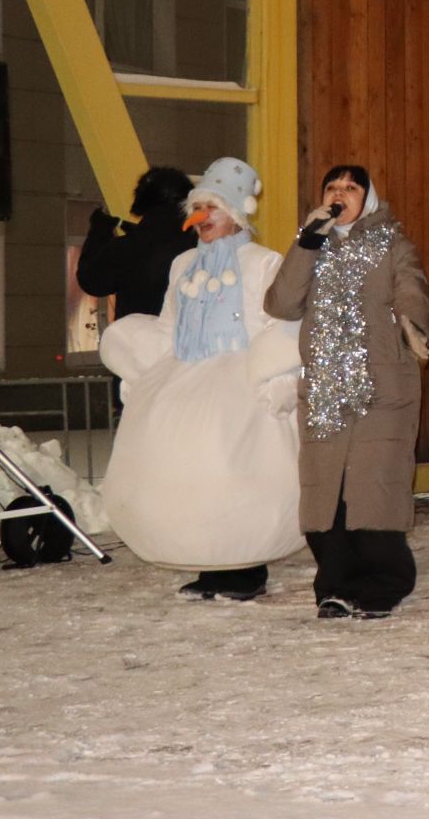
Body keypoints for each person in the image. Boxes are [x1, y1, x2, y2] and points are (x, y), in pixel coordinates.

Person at [98, 157, 304, 599]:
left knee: (233, 470)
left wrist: (280, 377)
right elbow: (171, 321)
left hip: (238, 380)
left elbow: (278, 321)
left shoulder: (264, 262)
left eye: (214, 208)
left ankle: (246, 569)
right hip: (184, 374)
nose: (203, 218)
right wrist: (145, 369)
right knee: (182, 468)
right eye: (199, 208)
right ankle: (209, 565)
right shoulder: (182, 264)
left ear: (236, 212)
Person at [265, 165, 429, 620]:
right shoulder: (311, 244)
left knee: (374, 488)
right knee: (325, 495)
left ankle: (385, 582)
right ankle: (335, 586)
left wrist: (413, 325)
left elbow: (412, 287)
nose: (340, 194)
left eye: (350, 188)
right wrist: (308, 240)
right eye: (332, 187)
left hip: (383, 384)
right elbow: (280, 303)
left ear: (368, 198)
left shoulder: (393, 244)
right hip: (323, 389)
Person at [77, 165, 196, 320]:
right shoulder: (203, 242)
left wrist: (99, 230)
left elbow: (91, 280)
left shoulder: (126, 248)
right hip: (193, 340)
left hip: (140, 340)